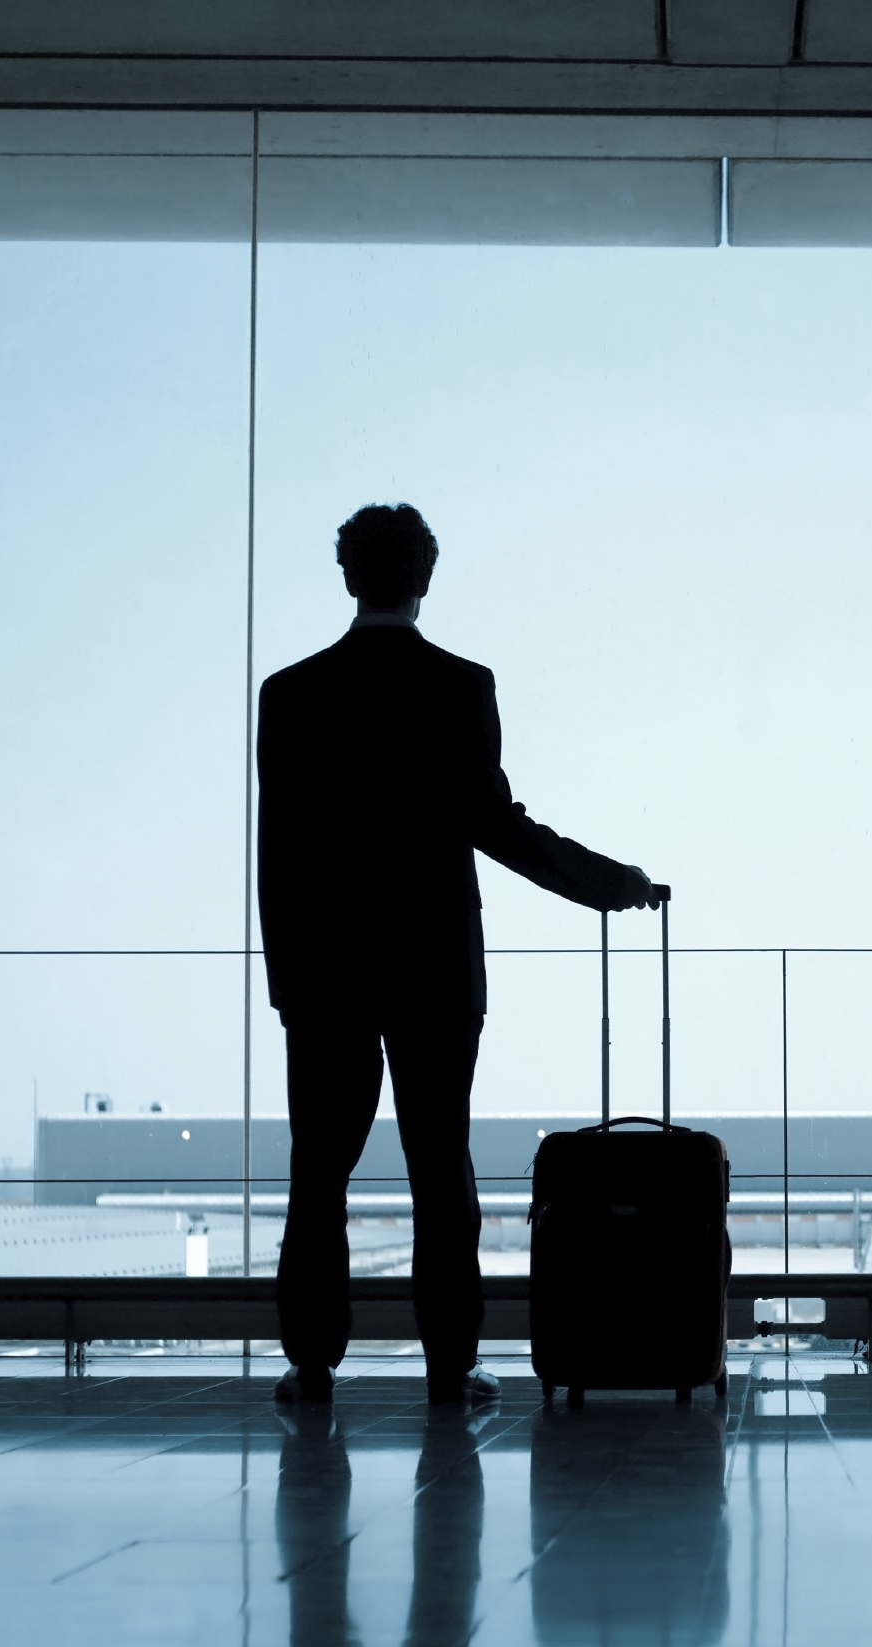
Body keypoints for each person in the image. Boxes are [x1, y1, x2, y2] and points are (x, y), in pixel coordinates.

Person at [259, 503, 654, 1407]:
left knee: (318, 1170)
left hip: (323, 975)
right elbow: (496, 828)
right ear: (424, 579)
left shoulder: (291, 692)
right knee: (441, 1167)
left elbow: (279, 851)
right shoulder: (459, 686)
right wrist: (607, 881)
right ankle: (448, 1364)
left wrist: (289, 984)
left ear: (348, 576)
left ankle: (311, 1361)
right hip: (435, 968)